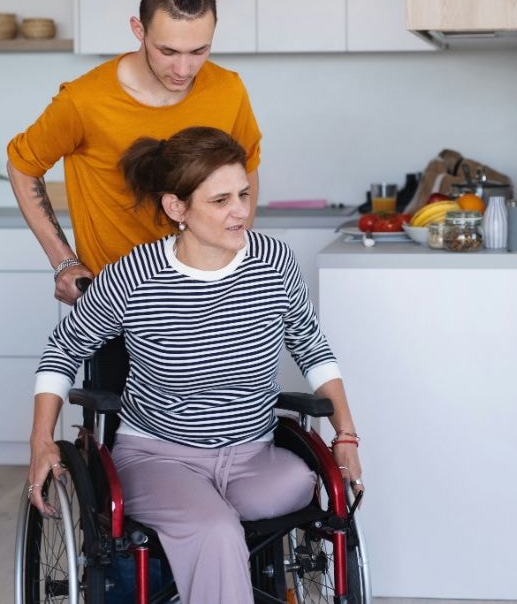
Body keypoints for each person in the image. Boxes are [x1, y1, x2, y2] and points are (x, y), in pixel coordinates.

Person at [26, 127, 363, 604]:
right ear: (177, 208)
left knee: (307, 485)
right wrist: (41, 440)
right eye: (221, 200)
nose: (241, 211)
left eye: (243, 194)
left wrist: (345, 434)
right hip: (158, 457)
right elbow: (64, 347)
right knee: (215, 529)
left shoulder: (274, 261)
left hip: (252, 455)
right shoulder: (137, 274)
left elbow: (310, 345)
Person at [7, 0, 262, 305]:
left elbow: (246, 167)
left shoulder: (229, 89)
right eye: (167, 50)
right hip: (117, 301)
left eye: (199, 50)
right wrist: (64, 262)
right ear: (138, 30)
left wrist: (236, 249)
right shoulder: (85, 100)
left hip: (209, 296)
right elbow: (22, 166)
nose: (184, 69)